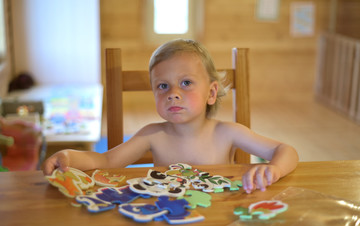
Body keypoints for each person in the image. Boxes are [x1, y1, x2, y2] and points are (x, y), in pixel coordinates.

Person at [42, 39, 298, 193]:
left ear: (211, 92)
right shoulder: (152, 135)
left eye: (186, 83)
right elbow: (106, 160)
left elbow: (285, 150)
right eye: (162, 86)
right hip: (168, 219)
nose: (173, 94)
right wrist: (68, 156)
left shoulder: (228, 132)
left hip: (221, 221)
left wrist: (274, 169)